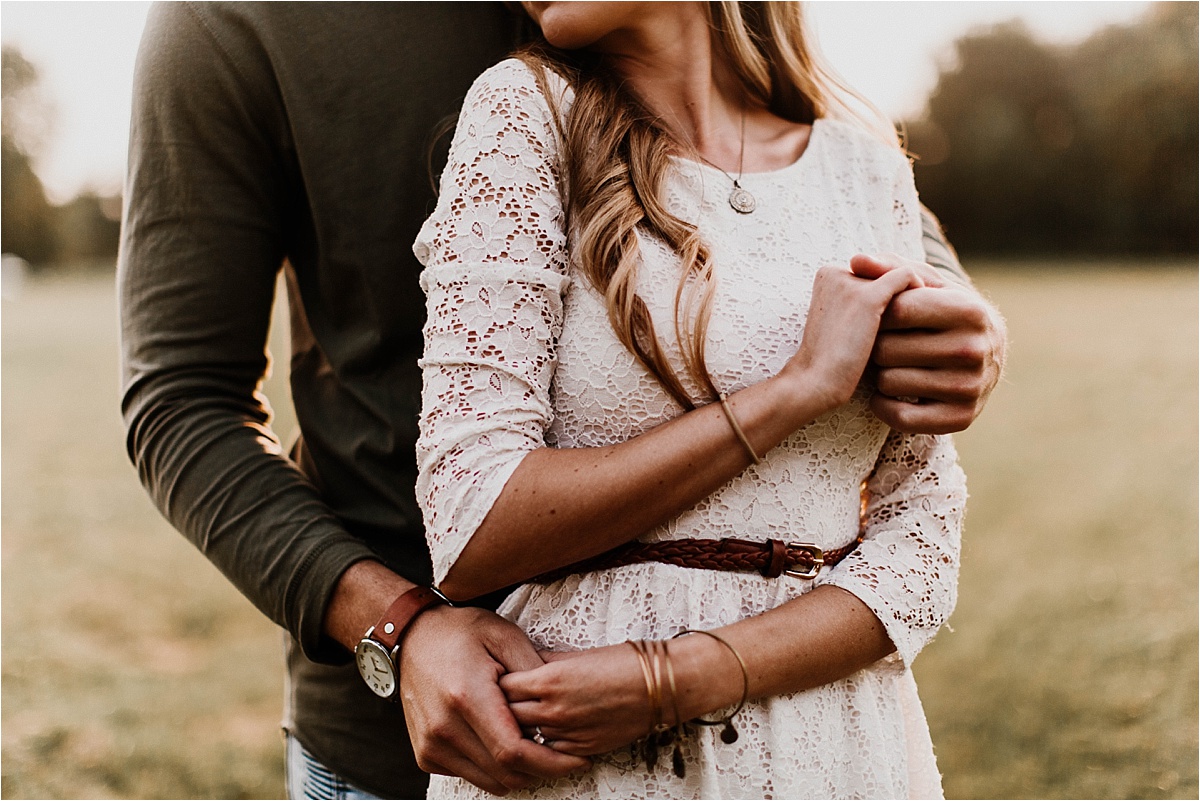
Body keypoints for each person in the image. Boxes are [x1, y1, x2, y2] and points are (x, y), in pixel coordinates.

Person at [118, 3, 1003, 799]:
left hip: (805, 725)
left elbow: (824, 188)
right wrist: (395, 622)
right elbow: (181, 399)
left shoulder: (819, 128)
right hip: (451, 727)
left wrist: (962, 324)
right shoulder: (234, 19)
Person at [415, 2, 973, 798]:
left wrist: (676, 679)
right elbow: (471, 522)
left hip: (837, 747)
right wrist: (794, 393)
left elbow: (921, 536)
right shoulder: (522, 113)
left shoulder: (865, 166)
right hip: (592, 760)